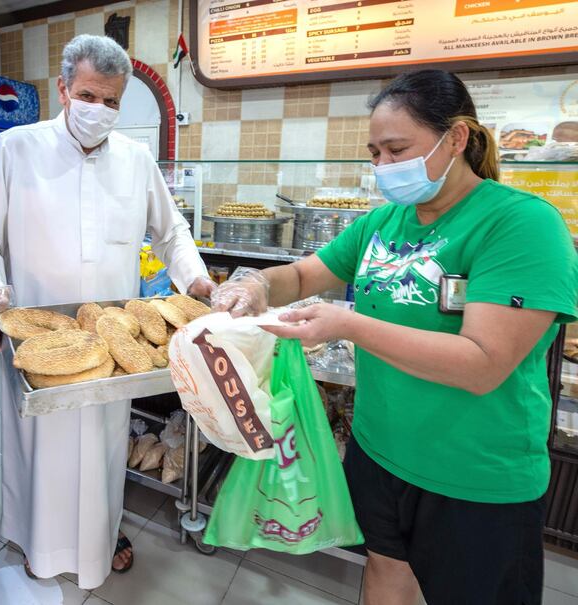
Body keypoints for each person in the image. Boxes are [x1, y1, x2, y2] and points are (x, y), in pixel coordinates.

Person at [212, 69, 578, 605]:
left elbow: (482, 364)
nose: (383, 166)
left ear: (457, 138)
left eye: (396, 149)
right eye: (375, 152)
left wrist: (348, 323)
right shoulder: (385, 221)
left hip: (471, 472)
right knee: (386, 571)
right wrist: (257, 283)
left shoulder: (520, 225)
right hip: (379, 450)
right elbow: (306, 275)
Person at [0, 34, 213, 588]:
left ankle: (100, 534)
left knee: (101, 444)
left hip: (108, 336)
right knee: (40, 449)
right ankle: (39, 544)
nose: (101, 110)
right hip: (37, 335)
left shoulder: (135, 158)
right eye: (89, 96)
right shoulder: (15, 148)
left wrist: (196, 278)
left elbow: (171, 232)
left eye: (113, 101)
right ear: (64, 90)